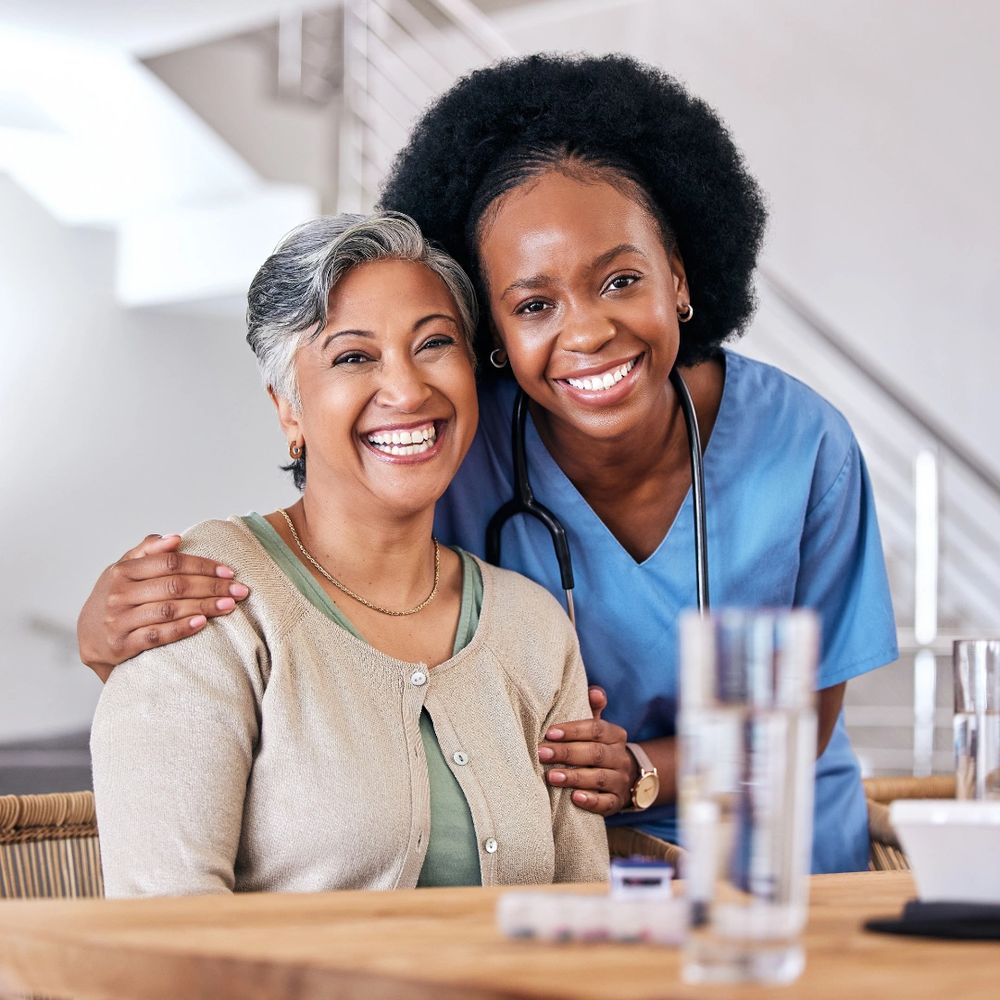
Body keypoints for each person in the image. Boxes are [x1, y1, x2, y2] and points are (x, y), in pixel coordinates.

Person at [79, 55, 897, 874]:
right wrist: (119, 637)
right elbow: (331, 569)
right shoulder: (454, 446)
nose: (585, 333)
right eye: (535, 304)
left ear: (679, 277)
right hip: (580, 873)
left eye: (620, 279)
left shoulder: (806, 445)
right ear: (494, 332)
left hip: (785, 865)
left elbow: (803, 719)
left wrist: (640, 769)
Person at [89, 211, 610, 898]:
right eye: (354, 356)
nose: (406, 389)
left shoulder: (532, 627)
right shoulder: (202, 595)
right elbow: (164, 938)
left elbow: (582, 916)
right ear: (289, 411)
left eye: (434, 344)